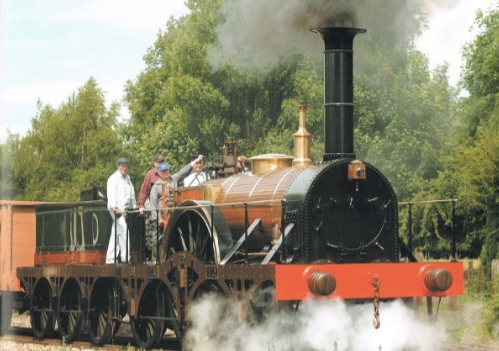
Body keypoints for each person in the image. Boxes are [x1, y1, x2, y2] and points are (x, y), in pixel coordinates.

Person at [148, 155, 204, 260]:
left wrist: (195, 161)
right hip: (161, 218)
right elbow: (152, 204)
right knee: (157, 237)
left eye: (167, 170)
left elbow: (184, 171)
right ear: (159, 173)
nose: (166, 172)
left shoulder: (173, 179)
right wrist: (157, 218)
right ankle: (155, 259)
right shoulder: (156, 187)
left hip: (173, 214)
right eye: (164, 171)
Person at [106, 157, 136, 264]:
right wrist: (114, 207)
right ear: (118, 166)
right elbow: (111, 193)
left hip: (124, 210)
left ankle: (110, 259)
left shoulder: (128, 179)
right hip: (116, 209)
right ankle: (125, 258)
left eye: (125, 165)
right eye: (122, 165)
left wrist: (134, 206)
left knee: (116, 233)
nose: (124, 167)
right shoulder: (113, 178)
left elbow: (131, 193)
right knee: (123, 229)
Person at [138, 153, 165, 259]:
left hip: (167, 209)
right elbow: (144, 191)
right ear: (154, 164)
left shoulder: (166, 173)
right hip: (155, 209)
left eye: (162, 162)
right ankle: (155, 258)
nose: (160, 164)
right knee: (155, 233)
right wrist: (141, 205)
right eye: (158, 162)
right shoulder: (150, 175)